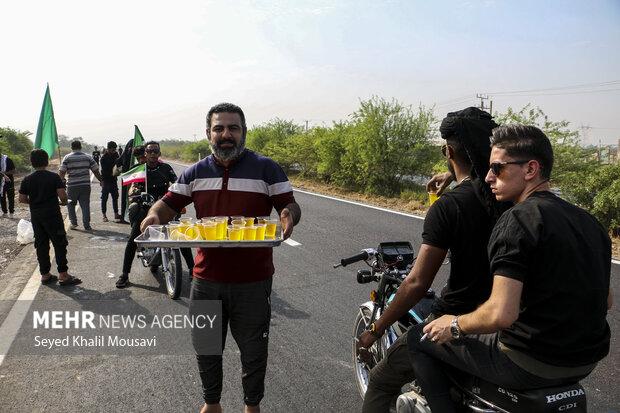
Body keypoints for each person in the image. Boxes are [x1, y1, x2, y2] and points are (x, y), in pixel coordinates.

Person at [408, 125, 612, 412]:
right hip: (585, 361)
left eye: (497, 168)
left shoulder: (518, 219)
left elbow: (501, 313)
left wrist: (453, 325)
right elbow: (606, 300)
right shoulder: (588, 221)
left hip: (529, 361)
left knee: (420, 337)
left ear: (530, 169)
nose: (489, 176)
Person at [140, 103, 301, 413]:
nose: (226, 134)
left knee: (254, 350)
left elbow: (290, 205)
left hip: (253, 281)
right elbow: (168, 204)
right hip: (205, 279)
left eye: (233, 128)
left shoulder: (266, 168)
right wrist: (152, 217)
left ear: (243, 132)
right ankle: (212, 403)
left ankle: (251, 406)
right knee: (207, 346)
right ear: (208, 133)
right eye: (219, 128)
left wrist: (286, 215)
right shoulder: (195, 172)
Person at [356, 107, 505, 412]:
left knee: (381, 381)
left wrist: (376, 329)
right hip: (504, 315)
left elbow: (416, 282)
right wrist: (454, 175)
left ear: (448, 150)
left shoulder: (450, 206)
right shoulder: (510, 195)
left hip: (458, 315)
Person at [116, 142, 194, 288]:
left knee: (180, 236)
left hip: (166, 208)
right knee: (134, 239)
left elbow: (177, 184)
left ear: (159, 153)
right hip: (146, 209)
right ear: (145, 153)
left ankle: (192, 270)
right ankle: (125, 274)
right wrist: (137, 193)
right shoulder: (139, 169)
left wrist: (178, 198)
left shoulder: (165, 168)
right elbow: (130, 189)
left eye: (155, 151)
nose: (152, 154)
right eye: (150, 151)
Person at [18, 149, 81, 286]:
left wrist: (34, 202)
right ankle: (63, 275)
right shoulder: (53, 177)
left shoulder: (27, 179)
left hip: (36, 216)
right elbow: (63, 197)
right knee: (59, 243)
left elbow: (22, 199)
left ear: (32, 162)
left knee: (41, 245)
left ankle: (45, 275)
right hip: (52, 215)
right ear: (46, 161)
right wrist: (63, 202)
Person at [59, 140, 103, 231]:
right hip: (85, 185)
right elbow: (95, 170)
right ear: (80, 147)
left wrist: (60, 183)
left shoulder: (67, 158)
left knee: (70, 204)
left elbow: (62, 172)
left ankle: (74, 223)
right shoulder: (88, 157)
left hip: (72, 185)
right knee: (85, 205)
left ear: (71, 148)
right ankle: (87, 225)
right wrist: (101, 180)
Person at [99, 141, 122, 222]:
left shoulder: (116, 155)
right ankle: (104, 215)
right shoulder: (103, 158)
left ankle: (116, 214)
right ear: (108, 149)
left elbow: (119, 163)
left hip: (113, 180)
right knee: (104, 198)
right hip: (106, 180)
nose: (114, 151)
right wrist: (114, 170)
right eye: (112, 149)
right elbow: (105, 170)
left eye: (115, 149)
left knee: (115, 197)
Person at [116, 139, 135, 223]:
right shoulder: (138, 154)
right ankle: (132, 217)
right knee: (134, 197)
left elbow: (118, 162)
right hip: (135, 177)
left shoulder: (125, 153)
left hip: (126, 178)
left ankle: (124, 216)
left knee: (125, 198)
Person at [1, 152, 16, 217]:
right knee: (2, 197)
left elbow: (13, 171)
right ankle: (5, 213)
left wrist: (4, 173)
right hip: (1, 183)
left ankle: (11, 212)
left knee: (11, 197)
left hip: (9, 182)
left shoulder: (8, 160)